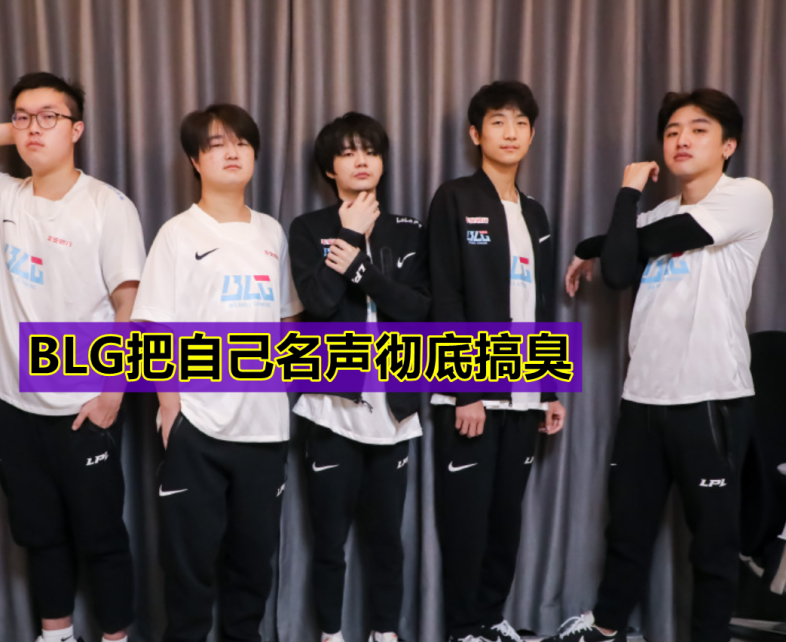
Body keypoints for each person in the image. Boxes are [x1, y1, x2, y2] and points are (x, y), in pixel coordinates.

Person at [0, 72, 145, 642]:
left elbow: (130, 301)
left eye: (50, 117)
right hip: (8, 400)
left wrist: (113, 391)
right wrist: (14, 131)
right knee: (39, 535)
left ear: (77, 129)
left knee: (101, 536)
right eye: (23, 116)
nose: (35, 127)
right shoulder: (5, 194)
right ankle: (55, 635)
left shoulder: (108, 205)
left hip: (83, 401)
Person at [548, 89, 772, 642]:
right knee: (627, 531)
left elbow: (645, 244)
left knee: (714, 542)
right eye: (672, 132)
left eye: (698, 129)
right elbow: (620, 269)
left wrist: (613, 214)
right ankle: (606, 630)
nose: (681, 140)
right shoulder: (657, 212)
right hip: (642, 398)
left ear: (728, 145)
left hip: (711, 398)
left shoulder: (746, 196)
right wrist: (611, 236)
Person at [131, 103, 302, 642]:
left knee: (252, 569)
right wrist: (170, 407)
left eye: (242, 143)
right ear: (195, 160)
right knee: (188, 570)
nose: (232, 152)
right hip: (198, 426)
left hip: (265, 431)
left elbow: (288, 321)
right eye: (217, 144)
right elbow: (153, 326)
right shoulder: (177, 234)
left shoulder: (272, 233)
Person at [426, 81, 567, 642]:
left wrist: (551, 387)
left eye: (520, 123)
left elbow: (544, 305)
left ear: (531, 135)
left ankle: (491, 618)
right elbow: (445, 295)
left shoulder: (536, 213)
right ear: (475, 133)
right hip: (471, 393)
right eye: (498, 122)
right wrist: (466, 388)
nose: (510, 133)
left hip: (525, 390)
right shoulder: (455, 197)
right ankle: (463, 627)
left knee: (506, 516)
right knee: (467, 519)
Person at [288, 111, 429, 642]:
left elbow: (420, 310)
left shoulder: (410, 230)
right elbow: (319, 305)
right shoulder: (309, 228)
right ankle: (331, 634)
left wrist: (362, 270)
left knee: (387, 539)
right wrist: (347, 235)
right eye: (347, 153)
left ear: (383, 161)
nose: (361, 161)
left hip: (395, 405)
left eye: (369, 150)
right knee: (329, 540)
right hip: (331, 404)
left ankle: (384, 633)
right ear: (330, 168)